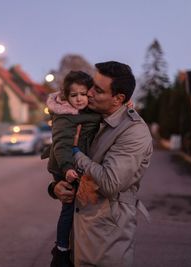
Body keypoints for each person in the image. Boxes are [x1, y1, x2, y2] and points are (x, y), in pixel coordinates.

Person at [50, 61, 153, 267]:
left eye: (97, 90)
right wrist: (55, 188)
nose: (88, 93)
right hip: (74, 239)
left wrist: (76, 154)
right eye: (91, 85)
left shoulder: (133, 132)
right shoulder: (91, 117)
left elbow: (109, 182)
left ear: (118, 99)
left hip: (103, 243)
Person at [42, 71, 101, 267]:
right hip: (63, 165)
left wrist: (126, 105)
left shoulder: (88, 111)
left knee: (78, 206)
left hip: (73, 163)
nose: (79, 99)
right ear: (66, 96)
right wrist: (67, 168)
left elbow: (101, 116)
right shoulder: (65, 117)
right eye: (73, 95)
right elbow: (61, 145)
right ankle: (61, 247)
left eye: (83, 94)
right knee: (68, 207)